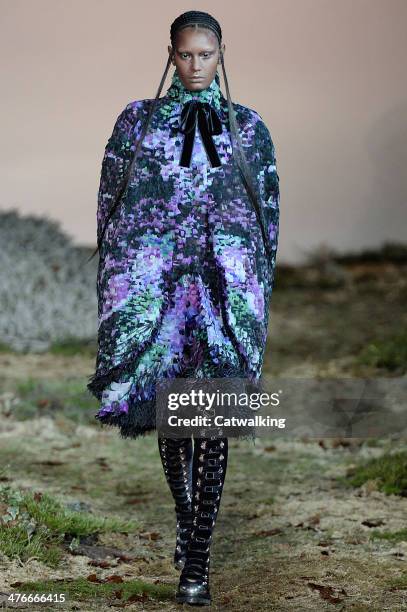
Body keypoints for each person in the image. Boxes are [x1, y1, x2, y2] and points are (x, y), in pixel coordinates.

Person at [87, 10, 280, 606]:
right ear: (170, 54)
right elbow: (110, 204)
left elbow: (267, 214)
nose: (196, 66)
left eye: (207, 55)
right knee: (172, 426)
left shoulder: (249, 128)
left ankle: (196, 559)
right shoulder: (136, 122)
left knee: (211, 418)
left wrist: (249, 279)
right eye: (186, 55)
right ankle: (187, 516)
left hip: (223, 292)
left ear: (223, 54)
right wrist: (123, 281)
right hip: (156, 292)